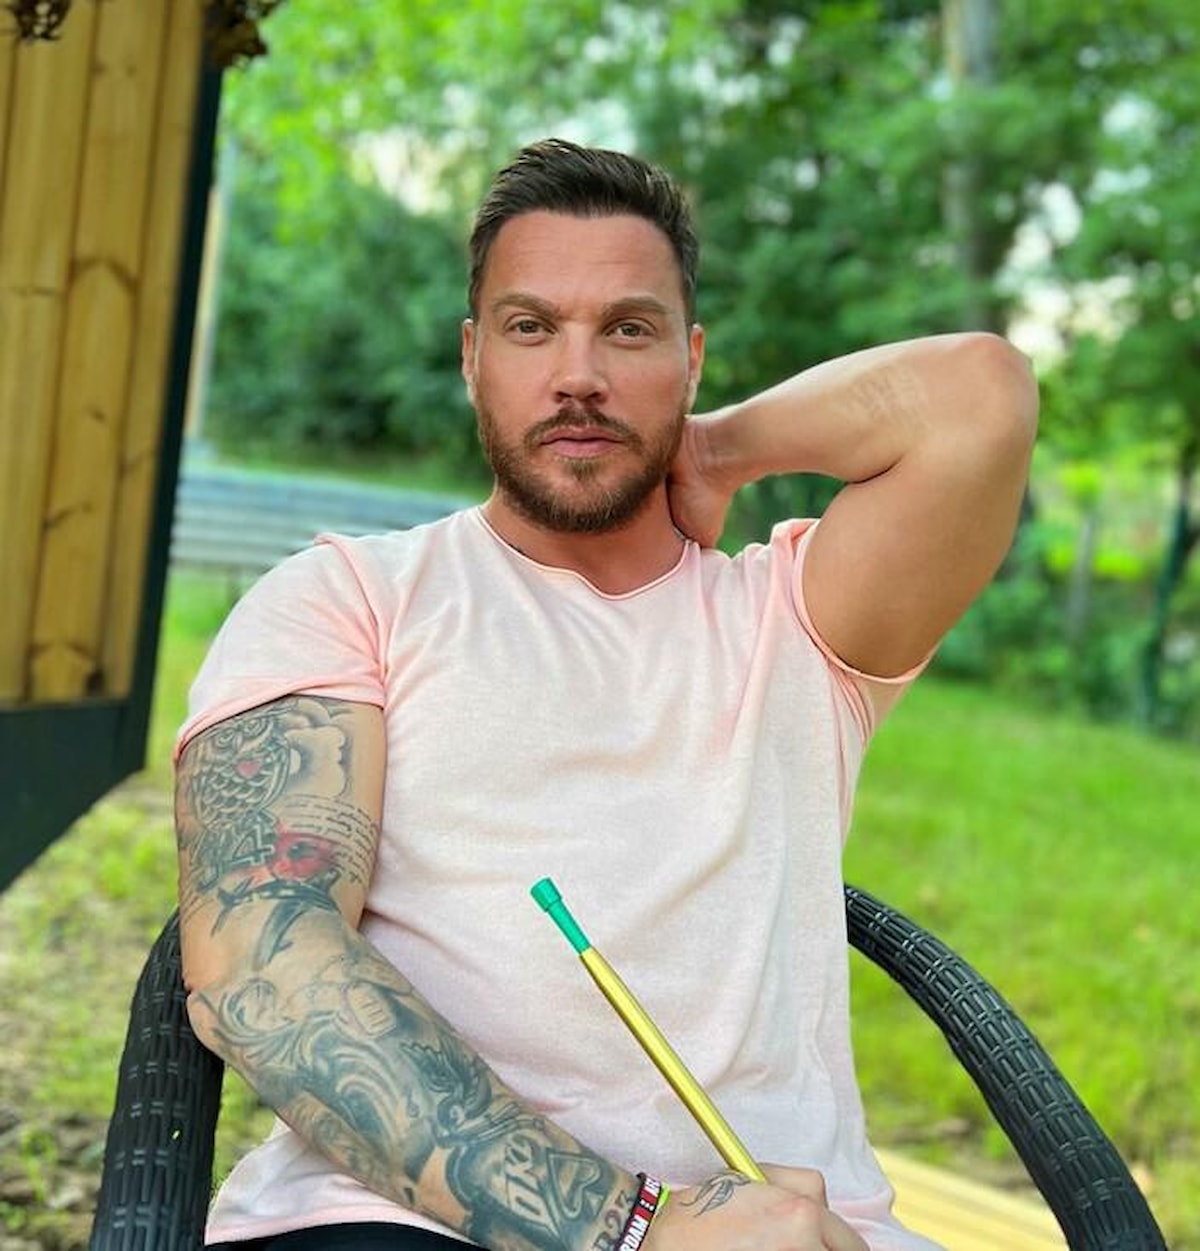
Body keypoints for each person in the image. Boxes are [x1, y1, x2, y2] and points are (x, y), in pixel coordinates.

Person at [174, 138, 1038, 1251]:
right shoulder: (350, 598)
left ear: (692, 359)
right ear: (473, 356)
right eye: (531, 327)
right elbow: (263, 962)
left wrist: (718, 453)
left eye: (628, 330)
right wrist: (637, 1227)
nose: (578, 374)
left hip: (791, 1224)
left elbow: (979, 395)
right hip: (406, 1221)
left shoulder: (796, 621)